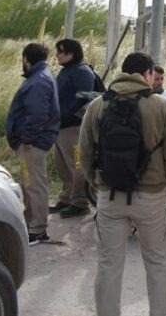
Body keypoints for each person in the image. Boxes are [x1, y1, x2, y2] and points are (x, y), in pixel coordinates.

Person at [78, 51, 166, 316]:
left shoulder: (98, 105)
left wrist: (97, 182)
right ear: (148, 74)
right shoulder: (162, 106)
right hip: (151, 196)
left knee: (108, 265)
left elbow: (85, 152)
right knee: (158, 264)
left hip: (110, 195)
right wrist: (164, 184)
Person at [5, 42, 61, 244]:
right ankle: (31, 224)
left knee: (34, 185)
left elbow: (37, 114)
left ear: (26, 59)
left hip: (32, 144)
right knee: (29, 184)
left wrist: (27, 139)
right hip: (32, 142)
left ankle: (37, 229)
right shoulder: (41, 76)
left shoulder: (39, 80)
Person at [51, 38, 100, 218]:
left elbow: (83, 99)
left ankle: (80, 202)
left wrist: (66, 116)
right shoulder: (67, 71)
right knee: (62, 164)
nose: (57, 55)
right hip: (60, 126)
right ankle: (66, 198)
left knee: (77, 165)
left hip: (73, 127)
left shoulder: (82, 71)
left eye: (60, 52)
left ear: (71, 53)